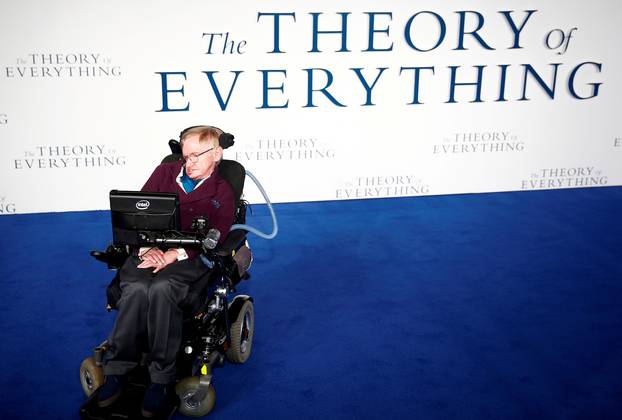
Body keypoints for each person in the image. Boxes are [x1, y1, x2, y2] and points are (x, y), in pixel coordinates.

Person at [97, 126, 235, 417]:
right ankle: (118, 369)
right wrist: (148, 249)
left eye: (197, 155)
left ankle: (160, 378)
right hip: (150, 249)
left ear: (217, 153)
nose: (190, 162)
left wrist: (175, 254)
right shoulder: (164, 174)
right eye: (186, 156)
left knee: (162, 289)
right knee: (134, 286)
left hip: (190, 257)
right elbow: (137, 213)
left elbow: (219, 233)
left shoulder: (223, 191)